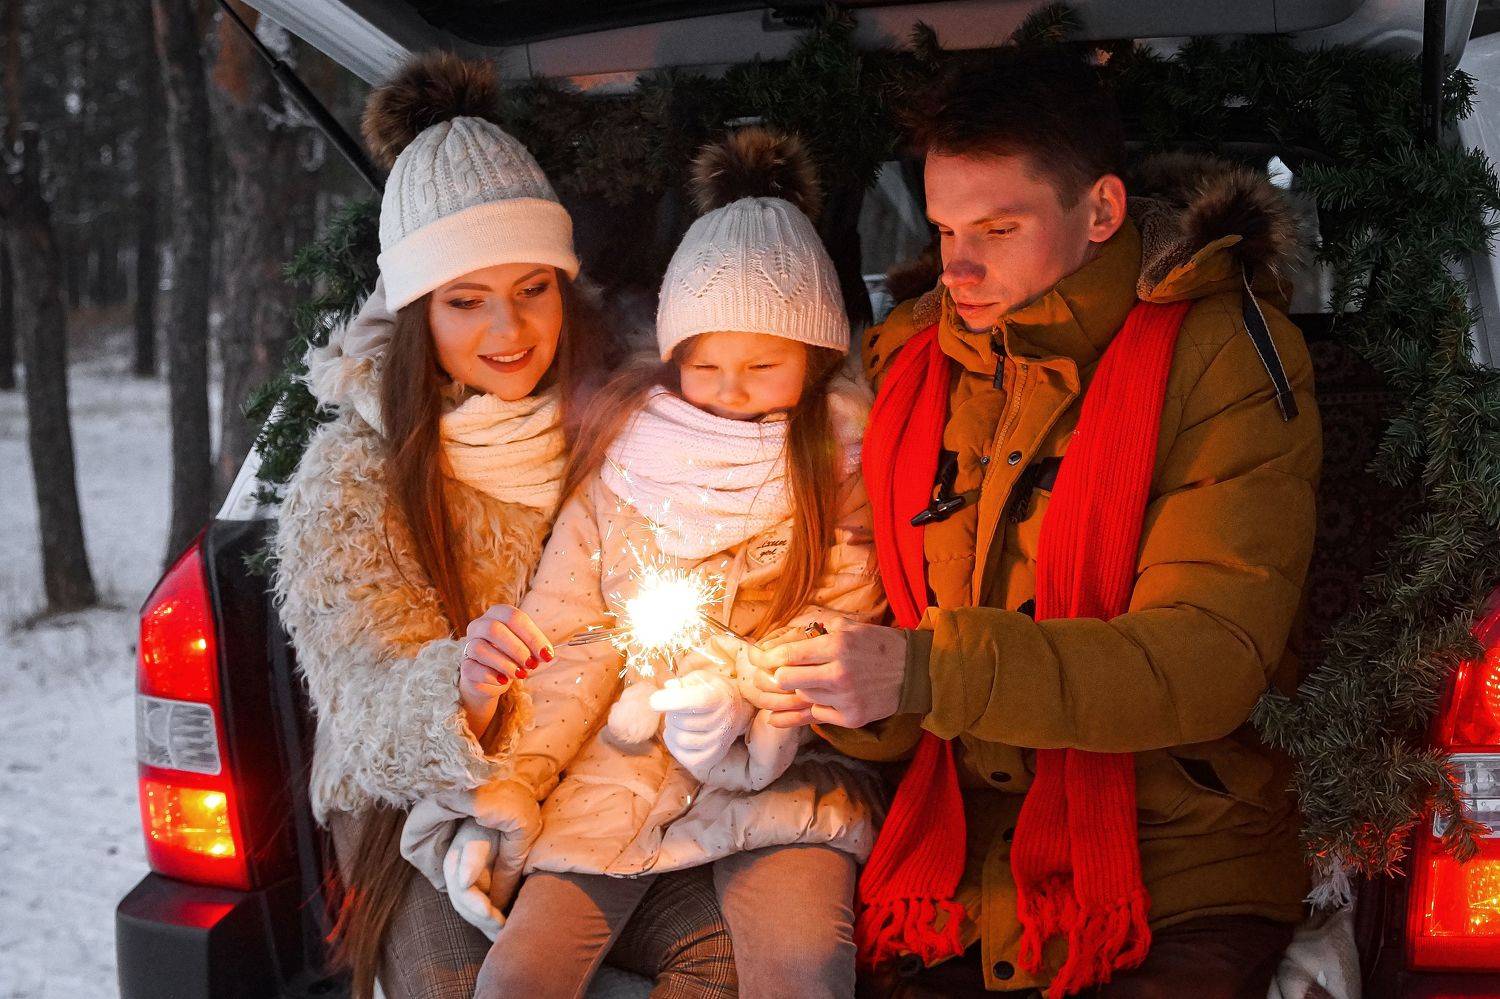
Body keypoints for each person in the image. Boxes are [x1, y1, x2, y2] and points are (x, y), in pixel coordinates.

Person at [749, 49, 1322, 997]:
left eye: (998, 228)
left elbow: (1208, 658)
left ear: (1100, 211)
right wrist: (840, 692)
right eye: (943, 229)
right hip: (953, 871)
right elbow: (892, 646)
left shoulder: (1226, 359)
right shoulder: (912, 361)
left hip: (1176, 868)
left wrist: (926, 670)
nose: (956, 266)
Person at [273, 53, 732, 999]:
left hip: (603, 777)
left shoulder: (627, 420)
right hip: (420, 807)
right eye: (465, 301)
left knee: (725, 953)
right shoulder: (355, 472)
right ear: (416, 310)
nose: (509, 330)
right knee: (463, 982)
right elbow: (363, 699)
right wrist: (462, 689)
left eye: (531, 288)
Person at [408, 128, 888, 999]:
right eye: (704, 363)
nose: (730, 388)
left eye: (763, 364)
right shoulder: (627, 464)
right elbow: (567, 643)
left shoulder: (843, 469)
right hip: (616, 776)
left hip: (786, 782)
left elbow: (843, 624)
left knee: (803, 969)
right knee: (516, 977)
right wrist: (513, 786)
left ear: (817, 359)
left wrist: (744, 698)